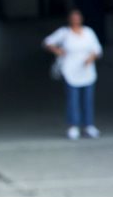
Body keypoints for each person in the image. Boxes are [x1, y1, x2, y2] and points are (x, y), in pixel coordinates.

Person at [43, 9, 103, 140]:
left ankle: (88, 125)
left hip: (87, 71)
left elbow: (97, 49)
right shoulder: (64, 33)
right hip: (70, 70)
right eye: (73, 17)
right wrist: (57, 50)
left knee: (88, 99)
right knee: (73, 99)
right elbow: (47, 42)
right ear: (69, 19)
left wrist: (91, 58)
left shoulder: (88, 32)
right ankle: (73, 126)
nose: (76, 20)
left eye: (78, 17)